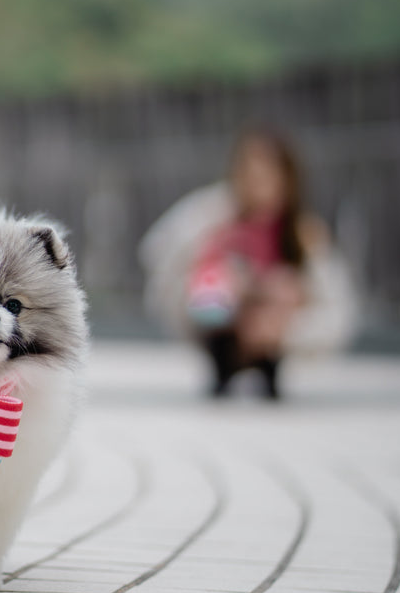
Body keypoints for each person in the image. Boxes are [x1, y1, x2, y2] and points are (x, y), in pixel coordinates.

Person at [139, 129, 356, 400]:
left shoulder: (305, 236)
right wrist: (226, 287)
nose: (258, 187)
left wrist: (286, 323)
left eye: (268, 176)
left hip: (277, 333)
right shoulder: (210, 218)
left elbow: (337, 316)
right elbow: (159, 261)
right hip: (218, 322)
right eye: (250, 174)